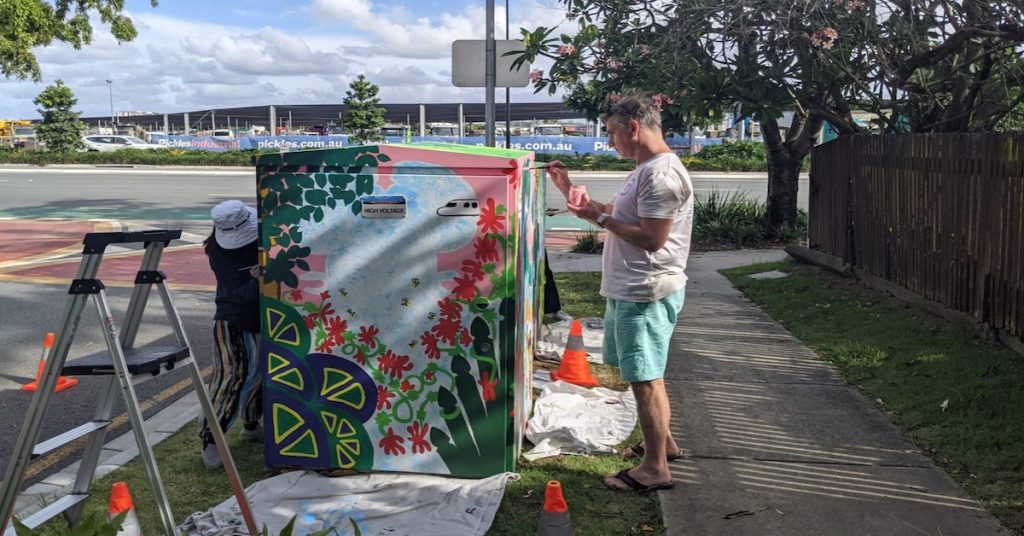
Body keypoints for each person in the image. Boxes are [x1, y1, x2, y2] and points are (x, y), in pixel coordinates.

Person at [545, 92, 693, 493]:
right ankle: (663, 444)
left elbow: (651, 239)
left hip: (645, 291)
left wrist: (599, 217)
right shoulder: (645, 169)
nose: (609, 141)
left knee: (645, 378)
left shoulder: (660, 175)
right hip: (633, 289)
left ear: (633, 127)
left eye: (611, 133)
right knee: (643, 373)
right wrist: (570, 189)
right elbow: (614, 214)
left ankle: (655, 468)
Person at [199, 199, 263, 469]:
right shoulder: (221, 254)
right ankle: (210, 440)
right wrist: (257, 281)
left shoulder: (240, 240)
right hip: (233, 321)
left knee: (259, 374)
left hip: (257, 319)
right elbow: (235, 295)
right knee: (232, 379)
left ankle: (251, 424)